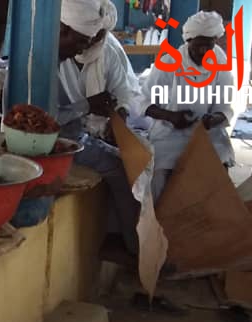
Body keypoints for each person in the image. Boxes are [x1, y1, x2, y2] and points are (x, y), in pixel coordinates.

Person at [57, 0, 144, 253]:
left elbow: (124, 94)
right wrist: (87, 106)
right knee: (120, 169)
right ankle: (130, 245)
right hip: (68, 137)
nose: (88, 43)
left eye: (94, 38)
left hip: (90, 131)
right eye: (83, 39)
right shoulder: (58, 54)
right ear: (66, 31)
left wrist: (118, 122)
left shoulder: (109, 51)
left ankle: (127, 238)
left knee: (135, 164)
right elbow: (49, 119)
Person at [142, 11, 234, 200]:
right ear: (188, 40)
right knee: (160, 172)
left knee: (220, 165)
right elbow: (144, 102)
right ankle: (160, 220)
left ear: (215, 42)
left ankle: (210, 220)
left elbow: (224, 107)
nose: (203, 51)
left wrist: (213, 119)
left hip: (207, 135)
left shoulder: (221, 62)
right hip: (170, 134)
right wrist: (171, 116)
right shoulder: (168, 62)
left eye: (208, 46)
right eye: (198, 45)